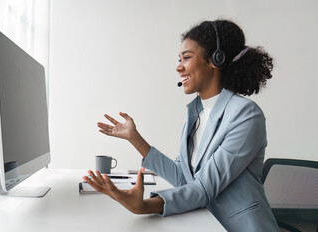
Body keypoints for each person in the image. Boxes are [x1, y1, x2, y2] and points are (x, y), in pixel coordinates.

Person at [82, 19, 280, 231]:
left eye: (186, 58)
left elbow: (204, 187)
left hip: (238, 227)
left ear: (216, 60)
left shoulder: (246, 116)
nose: (178, 67)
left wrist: (145, 206)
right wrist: (135, 138)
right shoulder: (195, 113)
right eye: (179, 59)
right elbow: (182, 178)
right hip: (204, 221)